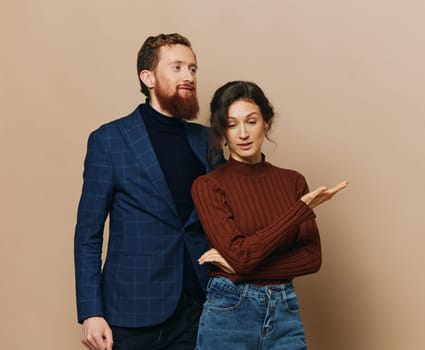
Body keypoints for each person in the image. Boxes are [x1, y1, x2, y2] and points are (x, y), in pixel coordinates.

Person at [74, 33, 220, 350]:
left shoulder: (207, 140)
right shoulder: (110, 140)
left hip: (198, 307)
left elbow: (230, 211)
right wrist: (91, 312)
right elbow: (88, 233)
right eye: (177, 67)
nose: (189, 76)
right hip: (131, 311)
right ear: (148, 77)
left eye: (193, 69)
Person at [191, 80, 349, 349]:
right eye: (232, 125)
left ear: (266, 122)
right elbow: (240, 256)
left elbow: (312, 258)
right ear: (222, 132)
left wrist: (240, 271)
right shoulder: (209, 186)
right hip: (229, 312)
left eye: (251, 121)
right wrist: (300, 210)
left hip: (283, 307)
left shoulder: (293, 182)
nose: (242, 134)